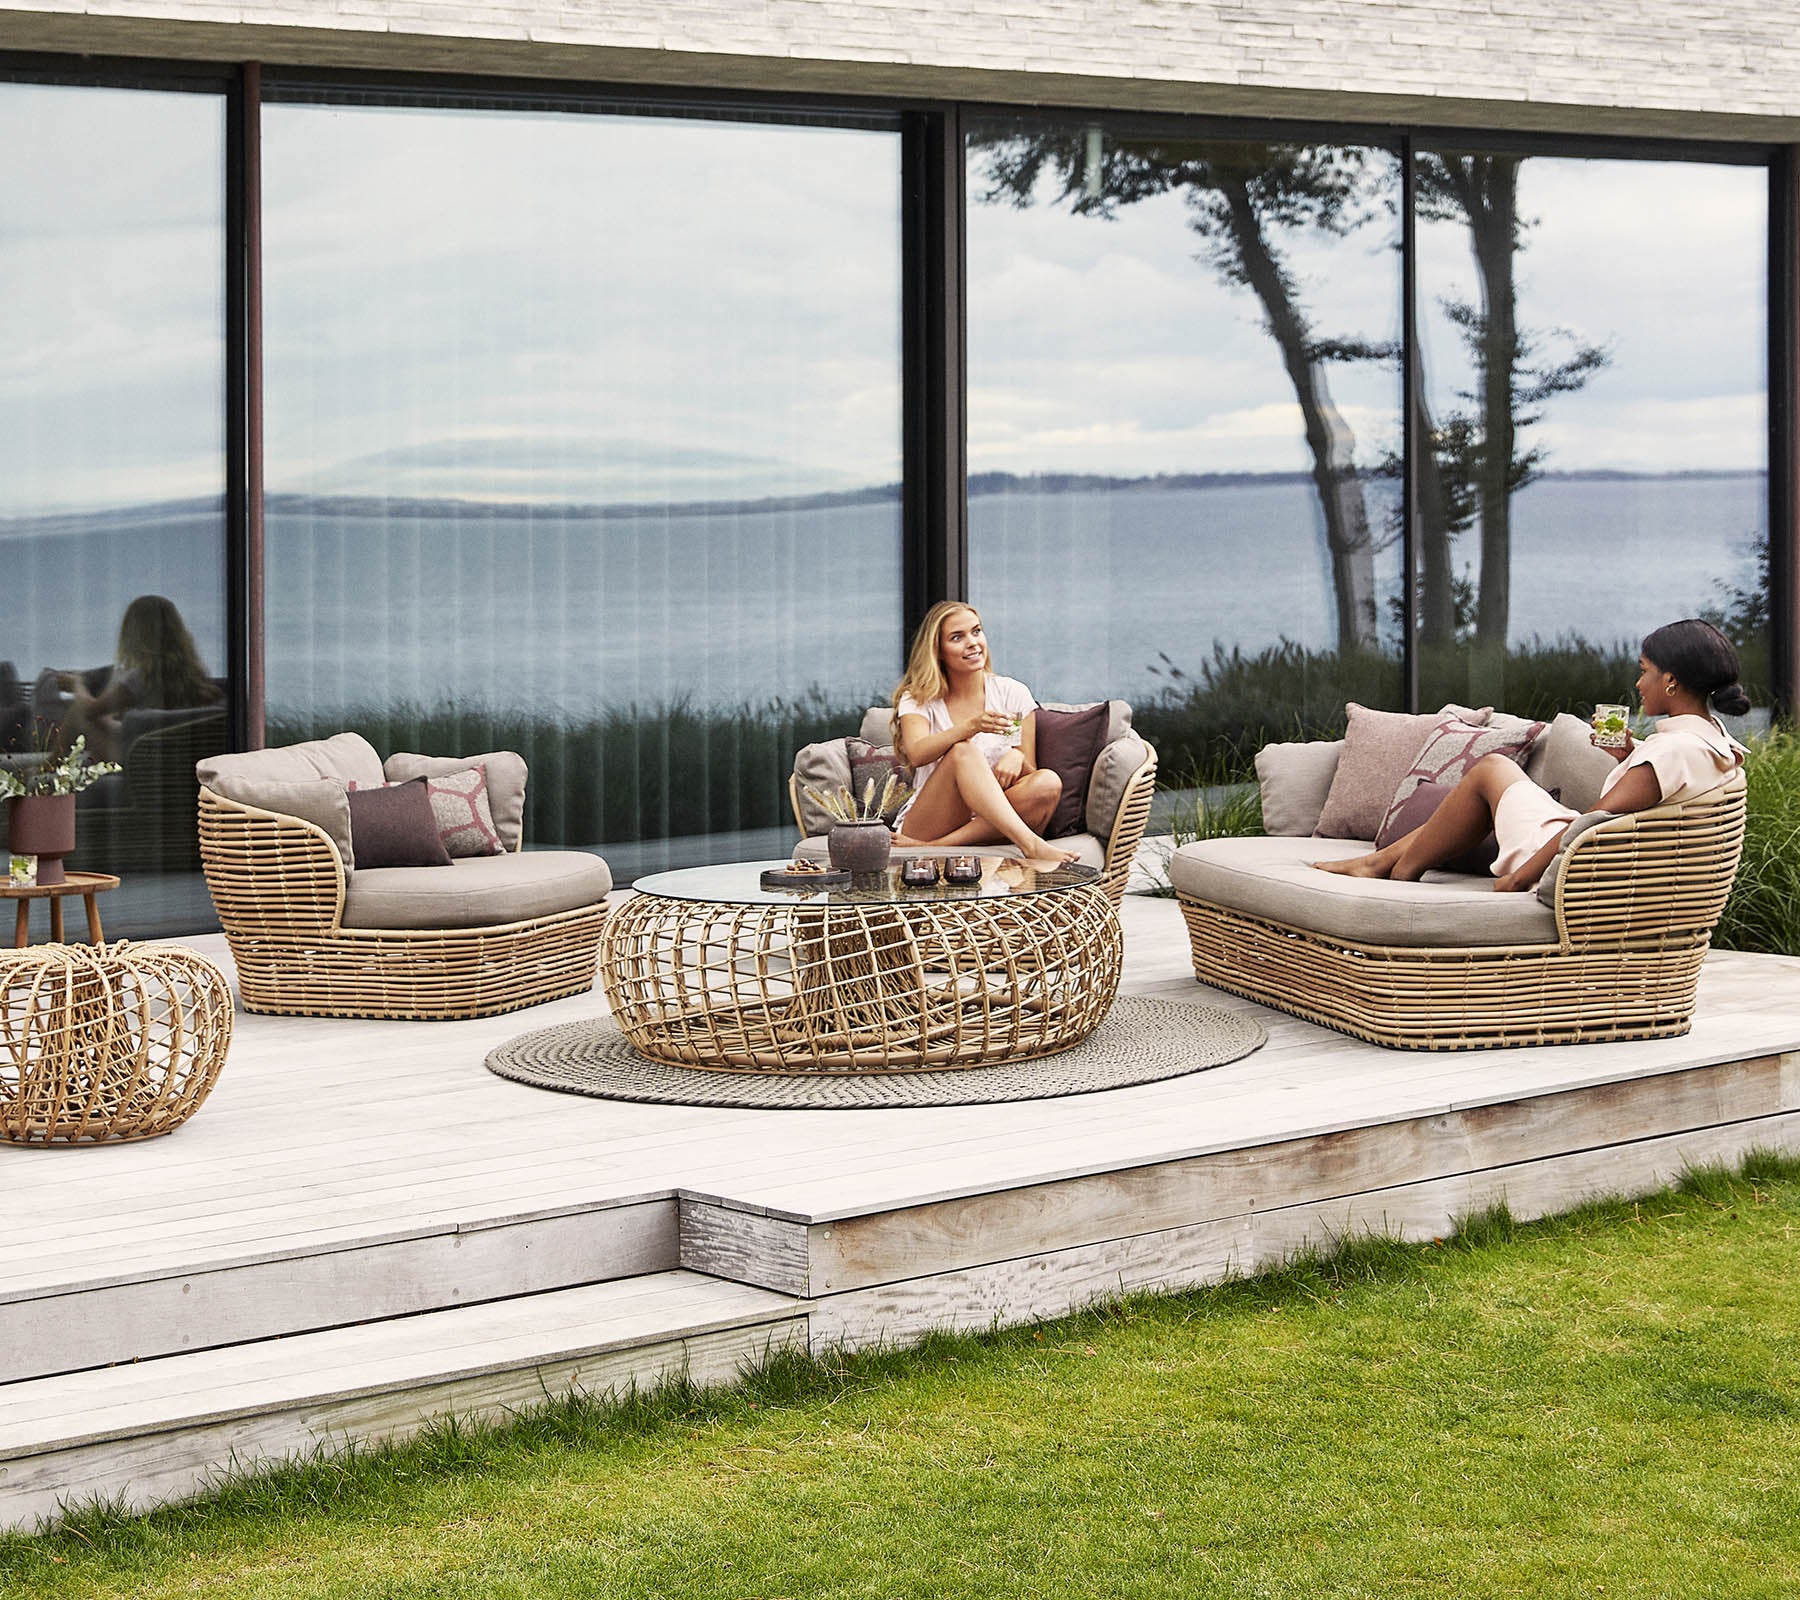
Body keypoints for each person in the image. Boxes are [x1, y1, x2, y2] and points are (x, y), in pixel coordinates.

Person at [1314, 618, 1750, 893]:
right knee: (1494, 773)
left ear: (1671, 681)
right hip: (1600, 856)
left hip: (1573, 863)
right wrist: (1627, 755)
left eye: (1645, 671)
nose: (1639, 684)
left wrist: (1520, 879)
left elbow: (1589, 826)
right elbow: (1653, 796)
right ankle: (1383, 863)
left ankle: (1397, 872)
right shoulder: (1713, 740)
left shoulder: (1673, 750)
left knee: (1490, 769)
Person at [888, 601, 1079, 872]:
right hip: (931, 820)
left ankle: (936, 848)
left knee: (1047, 782)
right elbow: (917, 753)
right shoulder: (919, 698)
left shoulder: (1011, 693)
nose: (973, 643)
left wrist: (1017, 756)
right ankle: (1030, 844)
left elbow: (1029, 774)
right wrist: (971, 726)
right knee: (962, 752)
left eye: (976, 631)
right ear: (938, 651)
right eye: (957, 637)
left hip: (990, 824)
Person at [58, 595, 223, 764]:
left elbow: (90, 710)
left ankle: (51, 766)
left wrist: (76, 684)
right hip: (177, 759)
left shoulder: (140, 679)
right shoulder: (195, 678)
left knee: (78, 711)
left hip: (141, 759)